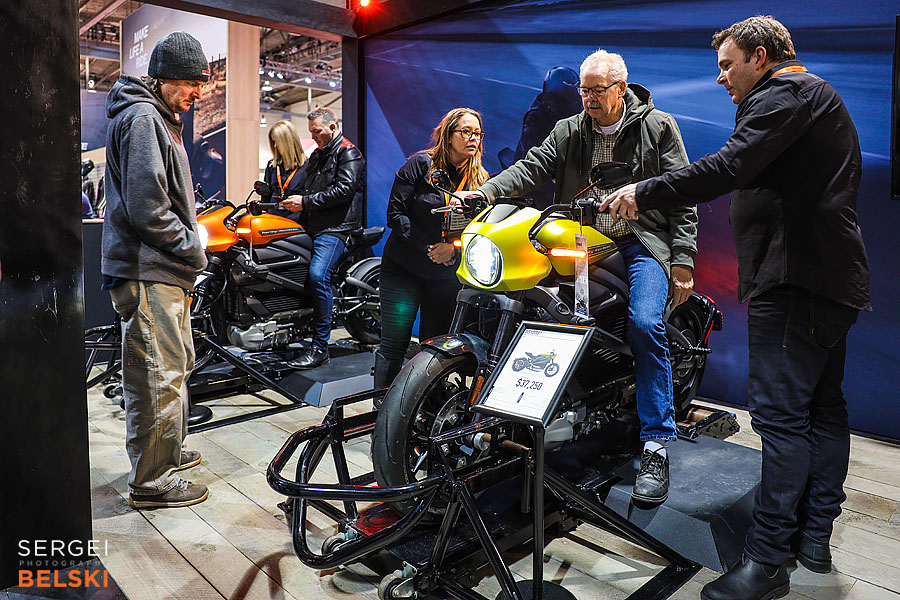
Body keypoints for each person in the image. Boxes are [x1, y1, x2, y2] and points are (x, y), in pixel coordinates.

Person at [600, 16, 870, 600]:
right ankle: (813, 537)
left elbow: (729, 167)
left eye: (728, 64)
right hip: (825, 280)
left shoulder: (787, 93)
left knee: (780, 419)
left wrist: (642, 191)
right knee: (821, 410)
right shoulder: (808, 96)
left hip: (795, 279)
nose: (720, 78)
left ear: (763, 55)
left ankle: (768, 561)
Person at [470, 49, 698, 505]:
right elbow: (531, 166)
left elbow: (682, 194)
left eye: (597, 91)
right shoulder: (568, 129)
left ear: (621, 88)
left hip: (640, 240)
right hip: (578, 237)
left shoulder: (657, 127)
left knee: (644, 322)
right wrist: (484, 191)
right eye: (584, 90)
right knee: (536, 306)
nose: (588, 99)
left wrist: (682, 259)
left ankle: (655, 443)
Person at [101, 31, 212, 509]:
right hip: (150, 272)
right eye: (191, 82)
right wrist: (195, 247)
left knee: (171, 367)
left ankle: (164, 454)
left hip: (161, 271)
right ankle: (153, 480)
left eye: (202, 83)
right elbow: (149, 210)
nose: (198, 92)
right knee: (156, 375)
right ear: (165, 77)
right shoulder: (145, 118)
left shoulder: (155, 117)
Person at [374, 108, 489, 390]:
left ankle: (426, 410)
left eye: (477, 133)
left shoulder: (481, 181)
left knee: (434, 349)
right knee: (394, 345)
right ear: (448, 135)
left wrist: (454, 251)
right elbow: (395, 214)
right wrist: (428, 247)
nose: (472, 138)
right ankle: (382, 409)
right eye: (466, 131)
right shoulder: (420, 164)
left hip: (444, 278)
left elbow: (482, 232)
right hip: (404, 269)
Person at [281, 108, 365, 368]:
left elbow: (343, 190)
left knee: (319, 275)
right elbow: (299, 184)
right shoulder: (317, 155)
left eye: (317, 131)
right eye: (311, 132)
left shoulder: (348, 152)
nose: (314, 136)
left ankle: (320, 348)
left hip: (337, 228)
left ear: (333, 127)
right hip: (312, 225)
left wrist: (304, 202)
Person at [263, 120, 307, 220]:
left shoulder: (308, 167)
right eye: (273, 142)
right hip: (272, 220)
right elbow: (266, 197)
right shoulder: (272, 166)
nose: (275, 146)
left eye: (277, 142)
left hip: (296, 222)